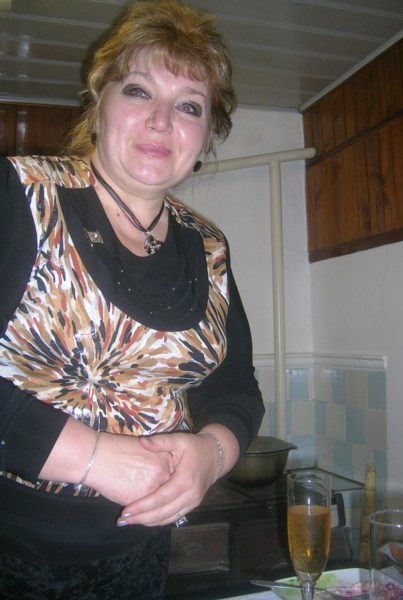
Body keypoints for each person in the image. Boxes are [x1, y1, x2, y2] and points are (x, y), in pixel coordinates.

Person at [0, 0, 264, 597]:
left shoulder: (210, 249)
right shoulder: (20, 196)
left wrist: (210, 454)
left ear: (206, 135)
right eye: (139, 91)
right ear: (98, 105)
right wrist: (91, 457)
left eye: (189, 106)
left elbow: (235, 388)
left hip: (141, 557)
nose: (161, 120)